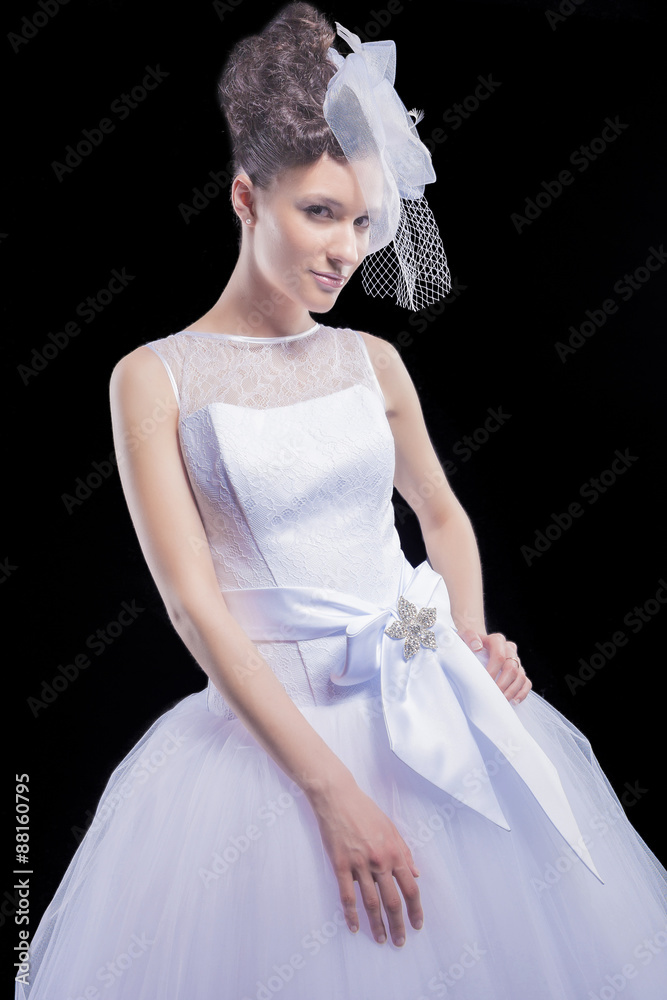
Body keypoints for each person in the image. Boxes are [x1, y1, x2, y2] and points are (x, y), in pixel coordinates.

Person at [17, 4, 667, 998]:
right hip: (271, 745)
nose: (346, 249)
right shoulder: (153, 377)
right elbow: (193, 604)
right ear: (246, 197)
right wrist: (330, 791)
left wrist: (471, 640)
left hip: (426, 699)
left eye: (363, 220)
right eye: (320, 213)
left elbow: (440, 516)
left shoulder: (372, 359)